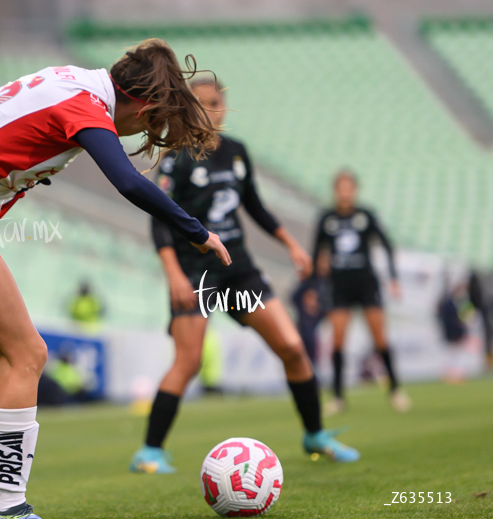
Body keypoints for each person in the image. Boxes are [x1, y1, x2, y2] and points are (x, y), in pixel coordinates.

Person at [0, 40, 233, 519]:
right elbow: (129, 183)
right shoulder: (86, 105)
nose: (143, 134)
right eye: (152, 124)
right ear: (146, 105)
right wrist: (197, 231)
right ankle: (8, 509)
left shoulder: (64, 79)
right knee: (26, 353)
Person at [131, 76, 358, 475]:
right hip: (195, 272)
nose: (209, 109)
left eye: (215, 102)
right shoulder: (176, 158)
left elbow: (254, 205)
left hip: (238, 271)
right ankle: (149, 451)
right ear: (188, 107)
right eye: (199, 102)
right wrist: (173, 275)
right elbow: (160, 220)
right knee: (188, 361)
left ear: (224, 106)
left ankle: (316, 435)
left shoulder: (236, 152)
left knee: (291, 346)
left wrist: (291, 243)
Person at [314, 171, 411, 414]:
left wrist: (394, 278)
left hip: (366, 284)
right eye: (341, 188)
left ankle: (395, 390)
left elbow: (386, 244)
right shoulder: (327, 218)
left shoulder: (365, 216)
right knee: (337, 340)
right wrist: (315, 287)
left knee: (380, 339)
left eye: (349, 188)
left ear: (355, 190)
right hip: (339, 286)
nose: (345, 193)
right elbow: (317, 252)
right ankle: (337, 396)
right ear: (335, 191)